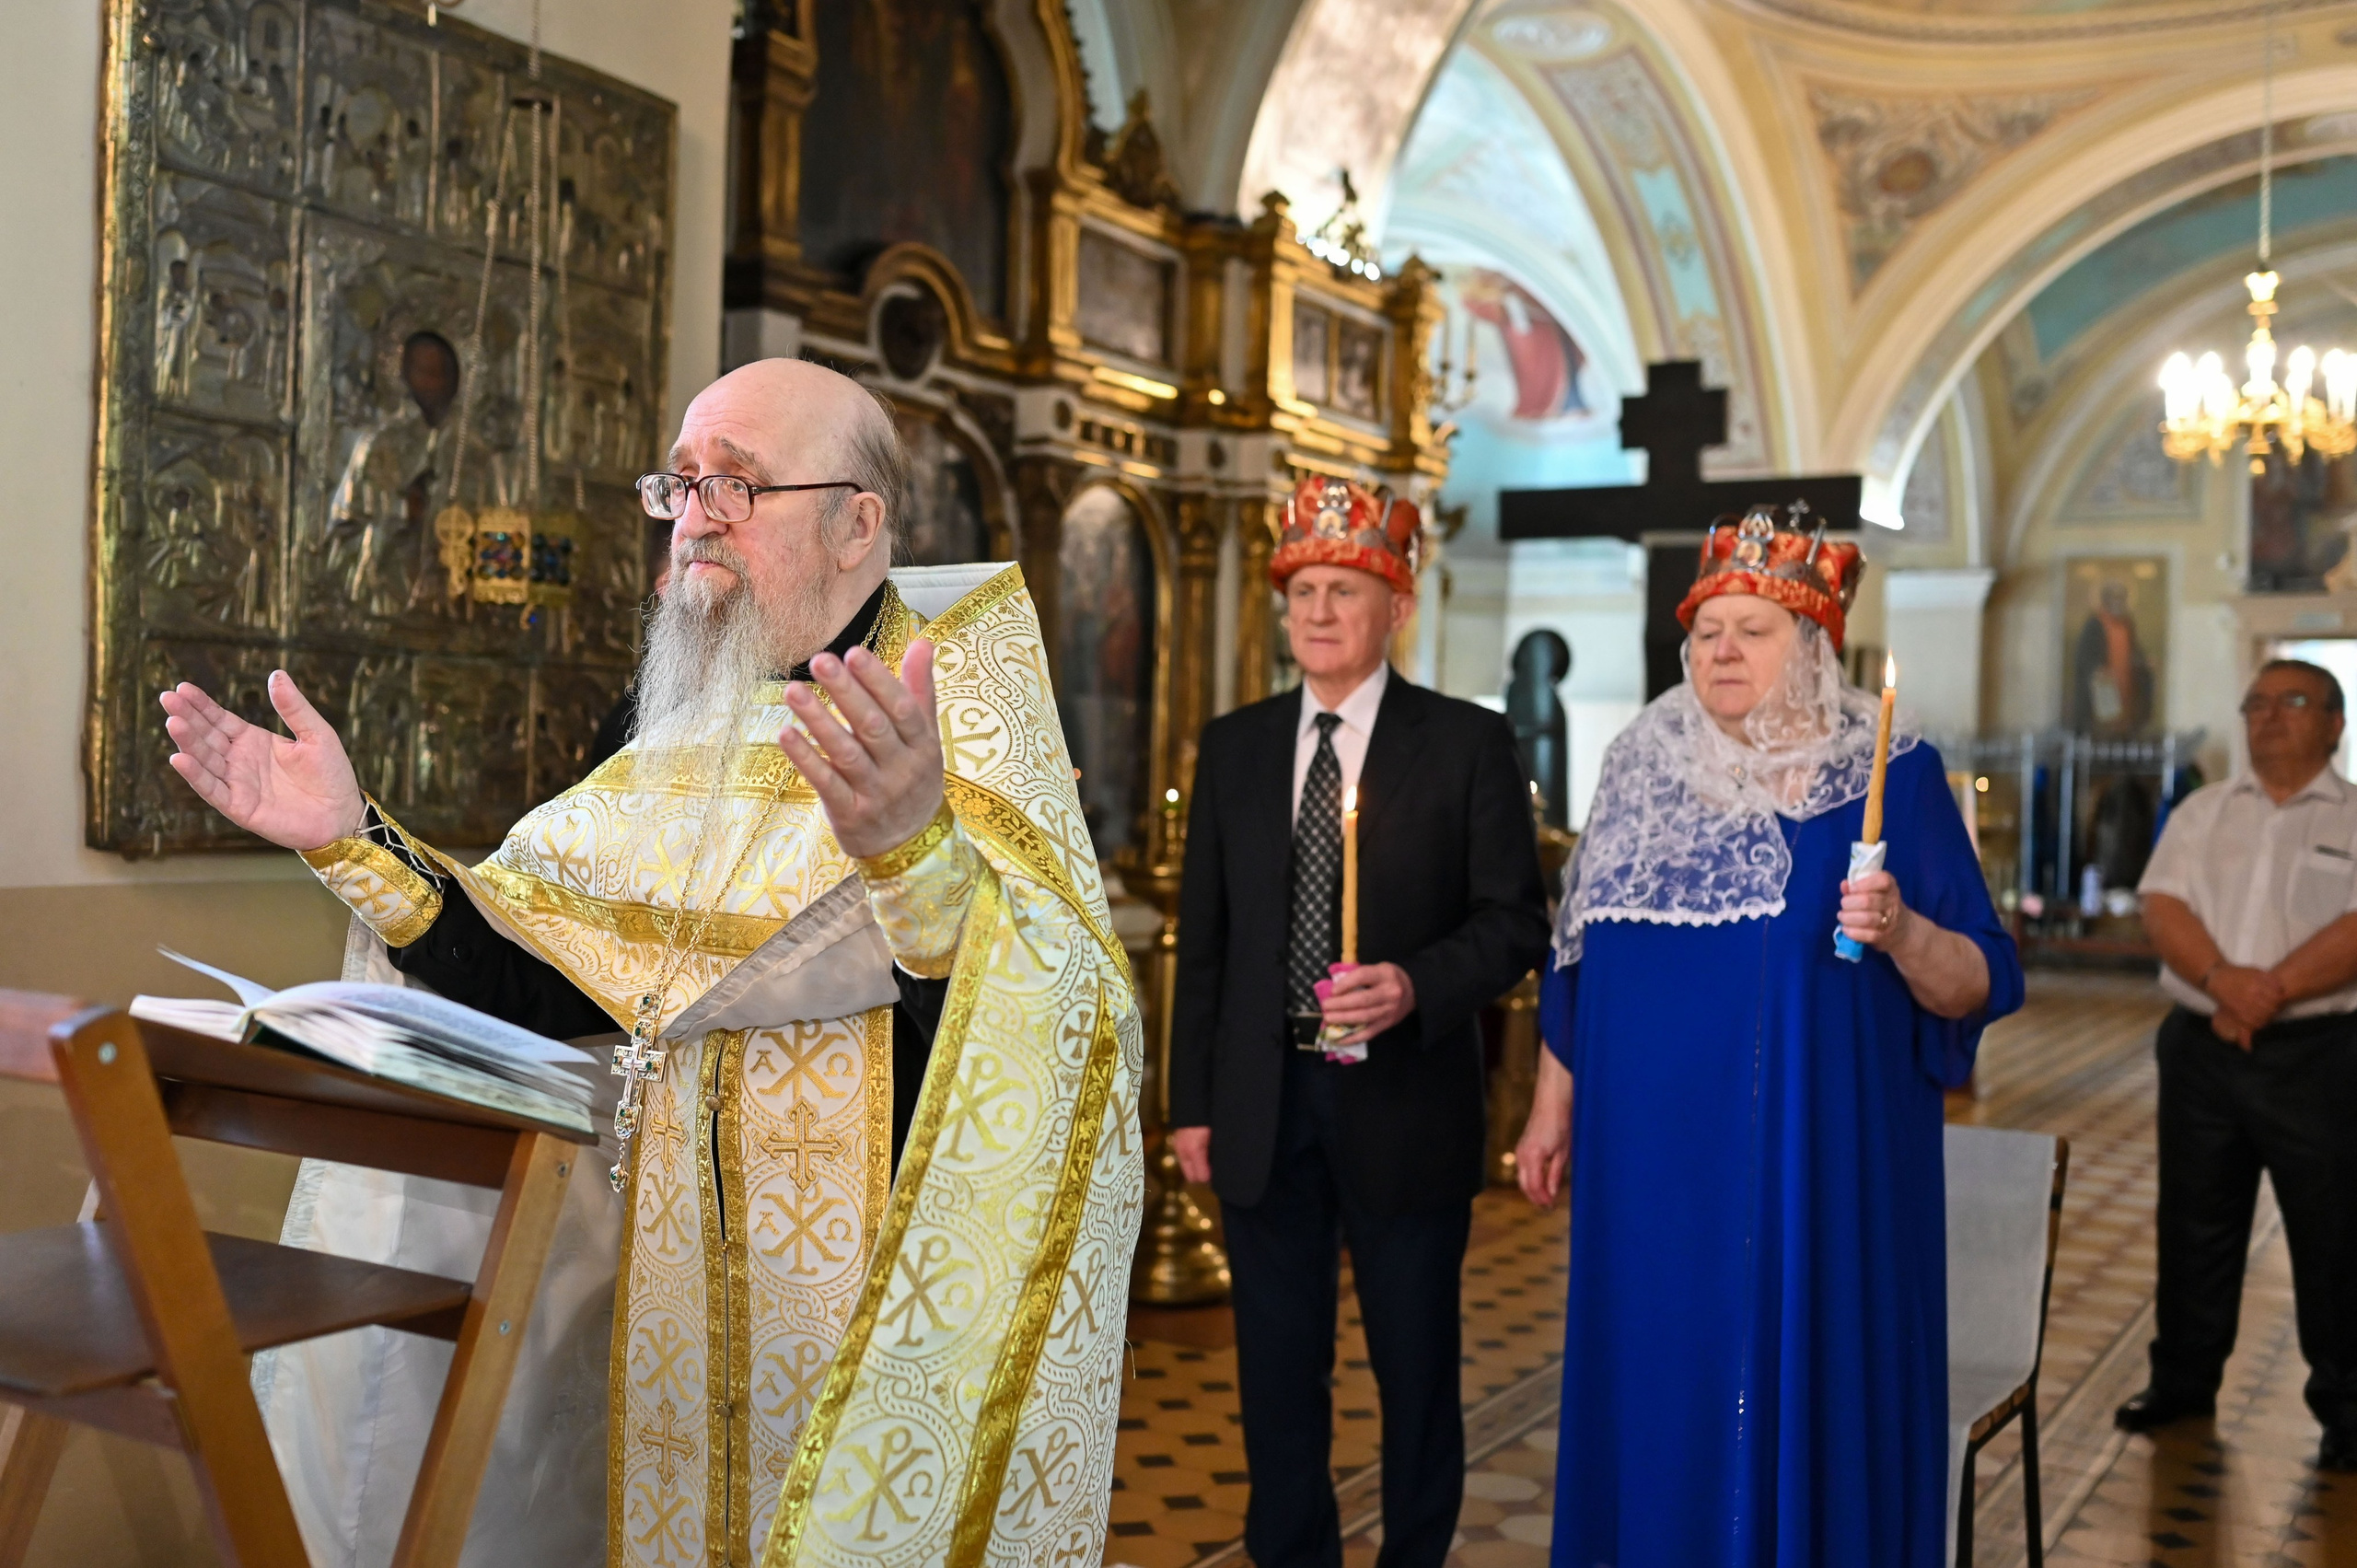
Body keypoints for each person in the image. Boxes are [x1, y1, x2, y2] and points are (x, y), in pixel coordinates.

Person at [157, 359, 1144, 1568]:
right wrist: (352, 839)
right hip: (665, 1307)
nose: (694, 517)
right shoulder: (665, 720)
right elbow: (548, 975)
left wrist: (917, 857)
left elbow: (1061, 1016)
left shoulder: (962, 705)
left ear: (858, 521)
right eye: (681, 483)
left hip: (867, 1325)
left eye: (736, 484)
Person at [1513, 505, 2024, 1568]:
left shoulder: (1893, 772)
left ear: (1814, 646)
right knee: (1658, 1387)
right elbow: (1580, 964)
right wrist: (1549, 1103)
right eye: (1705, 630)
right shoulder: (1638, 767)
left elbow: (1981, 976)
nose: (1722, 650)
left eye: (1754, 627)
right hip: (1648, 1194)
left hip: (1816, 1179)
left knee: (1800, 1386)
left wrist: (1903, 929)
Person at [1167, 474, 1550, 1568]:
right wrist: (1194, 1104)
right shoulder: (1235, 745)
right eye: (1302, 591)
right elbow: (1207, 944)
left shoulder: (1466, 743)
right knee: (1278, 1374)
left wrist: (1415, 984)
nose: (1319, 611)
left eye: (1344, 589)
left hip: (1402, 1104)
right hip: (1263, 1101)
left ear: (1396, 605)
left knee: (1414, 1370)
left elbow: (1514, 923)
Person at [2116, 657, 2357, 1472]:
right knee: (2194, 1223)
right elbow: (2163, 904)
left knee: (2335, 1236)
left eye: (2292, 701)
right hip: (2201, 1048)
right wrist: (2223, 982)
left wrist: (2270, 990)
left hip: (2318, 1057)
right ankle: (2182, 1381)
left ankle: (2348, 1407)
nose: (2268, 716)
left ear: (2335, 722)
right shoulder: (2202, 810)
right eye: (2255, 702)